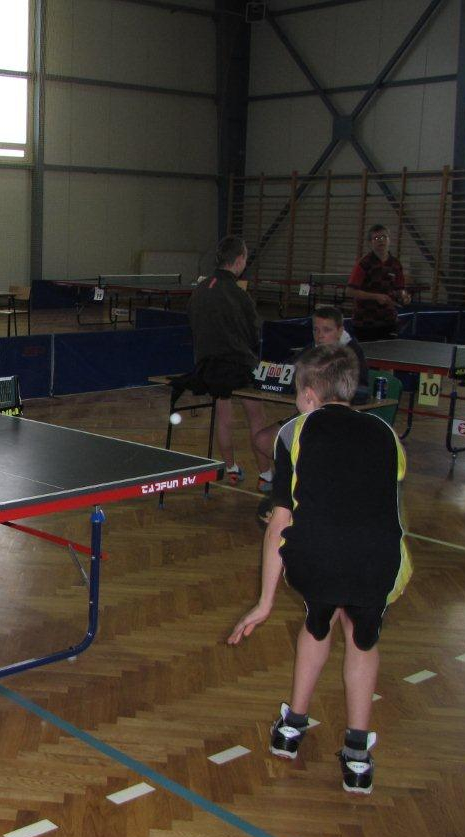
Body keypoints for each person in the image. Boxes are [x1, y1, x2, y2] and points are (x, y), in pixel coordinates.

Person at [228, 344, 412, 795]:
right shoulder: (386, 432)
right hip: (380, 560)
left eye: (296, 393)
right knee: (362, 638)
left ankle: (291, 727)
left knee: (318, 620)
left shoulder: (293, 431)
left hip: (318, 559)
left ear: (309, 395)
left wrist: (265, 601)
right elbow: (389, 499)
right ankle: (357, 756)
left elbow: (281, 520)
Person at [176, 235, 271, 485]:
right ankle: (265, 475)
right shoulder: (239, 295)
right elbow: (254, 334)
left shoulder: (198, 291)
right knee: (257, 417)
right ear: (239, 260)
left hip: (207, 367)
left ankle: (231, 469)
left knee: (223, 418)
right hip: (240, 366)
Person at [254, 305, 371, 497]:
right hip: (306, 414)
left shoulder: (352, 354)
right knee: (262, 440)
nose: (320, 335)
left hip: (338, 420)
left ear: (340, 330)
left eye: (327, 330)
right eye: (316, 329)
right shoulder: (312, 350)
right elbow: (290, 371)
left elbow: (362, 391)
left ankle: (305, 481)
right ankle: (295, 477)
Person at [346, 224, 410, 341]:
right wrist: (375, 296)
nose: (381, 240)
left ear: (389, 240)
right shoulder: (364, 263)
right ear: (370, 243)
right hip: (365, 322)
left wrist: (404, 296)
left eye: (384, 237)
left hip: (389, 320)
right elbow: (350, 291)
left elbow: (400, 288)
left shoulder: (395, 264)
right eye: (376, 238)